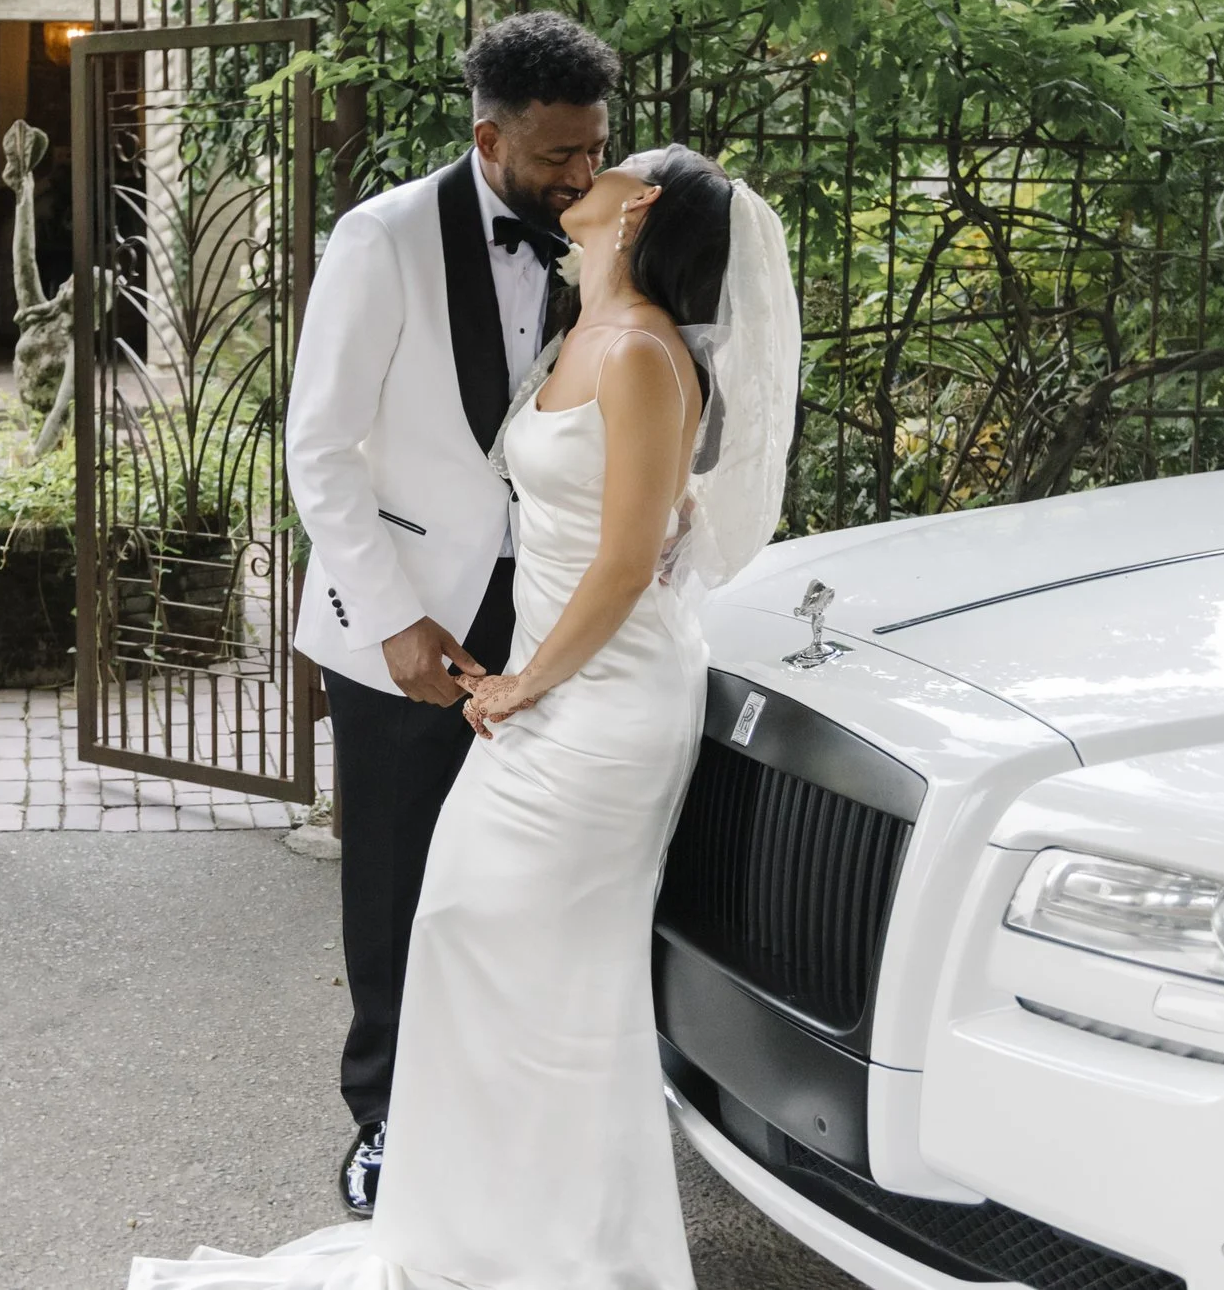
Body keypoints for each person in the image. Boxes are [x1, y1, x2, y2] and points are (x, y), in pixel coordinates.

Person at [127, 140, 802, 1290]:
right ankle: (483, 1226)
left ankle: (558, 1245)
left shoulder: (639, 352)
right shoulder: (591, 328)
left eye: (607, 159)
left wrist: (524, 681)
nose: (584, 165)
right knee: (473, 935)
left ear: (636, 207)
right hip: (549, 686)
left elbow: (631, 558)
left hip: (595, 705)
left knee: (534, 954)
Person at [282, 12, 621, 1217]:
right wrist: (390, 619)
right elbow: (317, 449)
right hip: (407, 622)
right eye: (554, 159)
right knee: (394, 878)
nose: (580, 177)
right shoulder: (378, 240)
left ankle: (498, 1108)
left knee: (513, 881)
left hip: (547, 622)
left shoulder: (601, 232)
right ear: (489, 137)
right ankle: (383, 1119)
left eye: (593, 149)